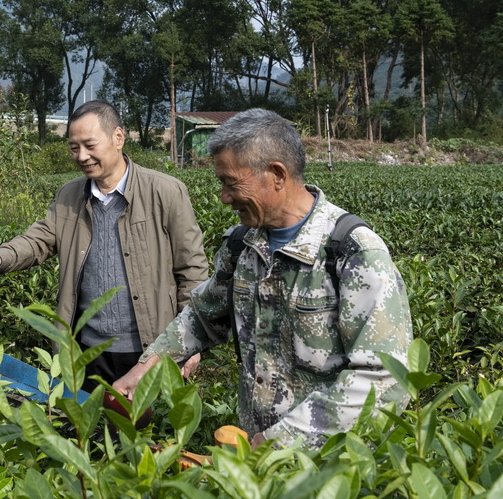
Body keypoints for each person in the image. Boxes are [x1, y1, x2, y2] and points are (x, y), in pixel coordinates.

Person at [113, 109, 414, 449]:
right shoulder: (243, 244)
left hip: (330, 466)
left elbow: (382, 378)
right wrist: (147, 367)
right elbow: (202, 316)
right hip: (253, 461)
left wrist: (273, 446)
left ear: (276, 175)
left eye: (231, 183)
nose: (224, 197)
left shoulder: (351, 252)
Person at [0, 100, 210, 389]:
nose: (82, 156)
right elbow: (38, 240)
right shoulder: (69, 194)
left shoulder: (165, 191)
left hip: (150, 349)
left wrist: (190, 341)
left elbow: (192, 269)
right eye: (74, 148)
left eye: (90, 145)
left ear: (118, 138)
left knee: (147, 432)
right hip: (85, 350)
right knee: (85, 429)